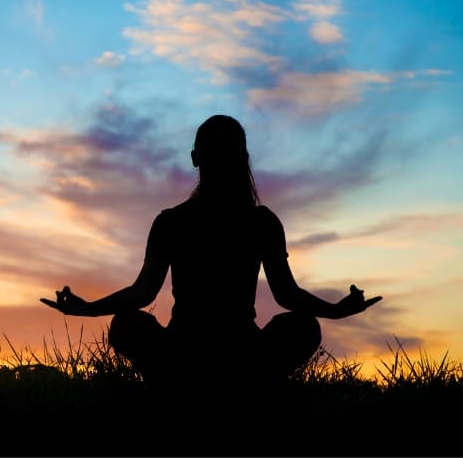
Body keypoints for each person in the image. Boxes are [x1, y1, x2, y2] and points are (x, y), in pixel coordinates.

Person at [41, 114, 382, 398]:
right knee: (127, 322)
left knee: (303, 326)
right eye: (215, 152)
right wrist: (85, 309)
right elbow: (142, 294)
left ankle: (192, 387)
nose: (220, 161)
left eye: (226, 153)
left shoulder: (259, 221)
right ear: (197, 158)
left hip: (235, 350)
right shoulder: (173, 222)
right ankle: (230, 387)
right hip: (188, 349)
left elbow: (286, 295)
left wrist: (336, 311)